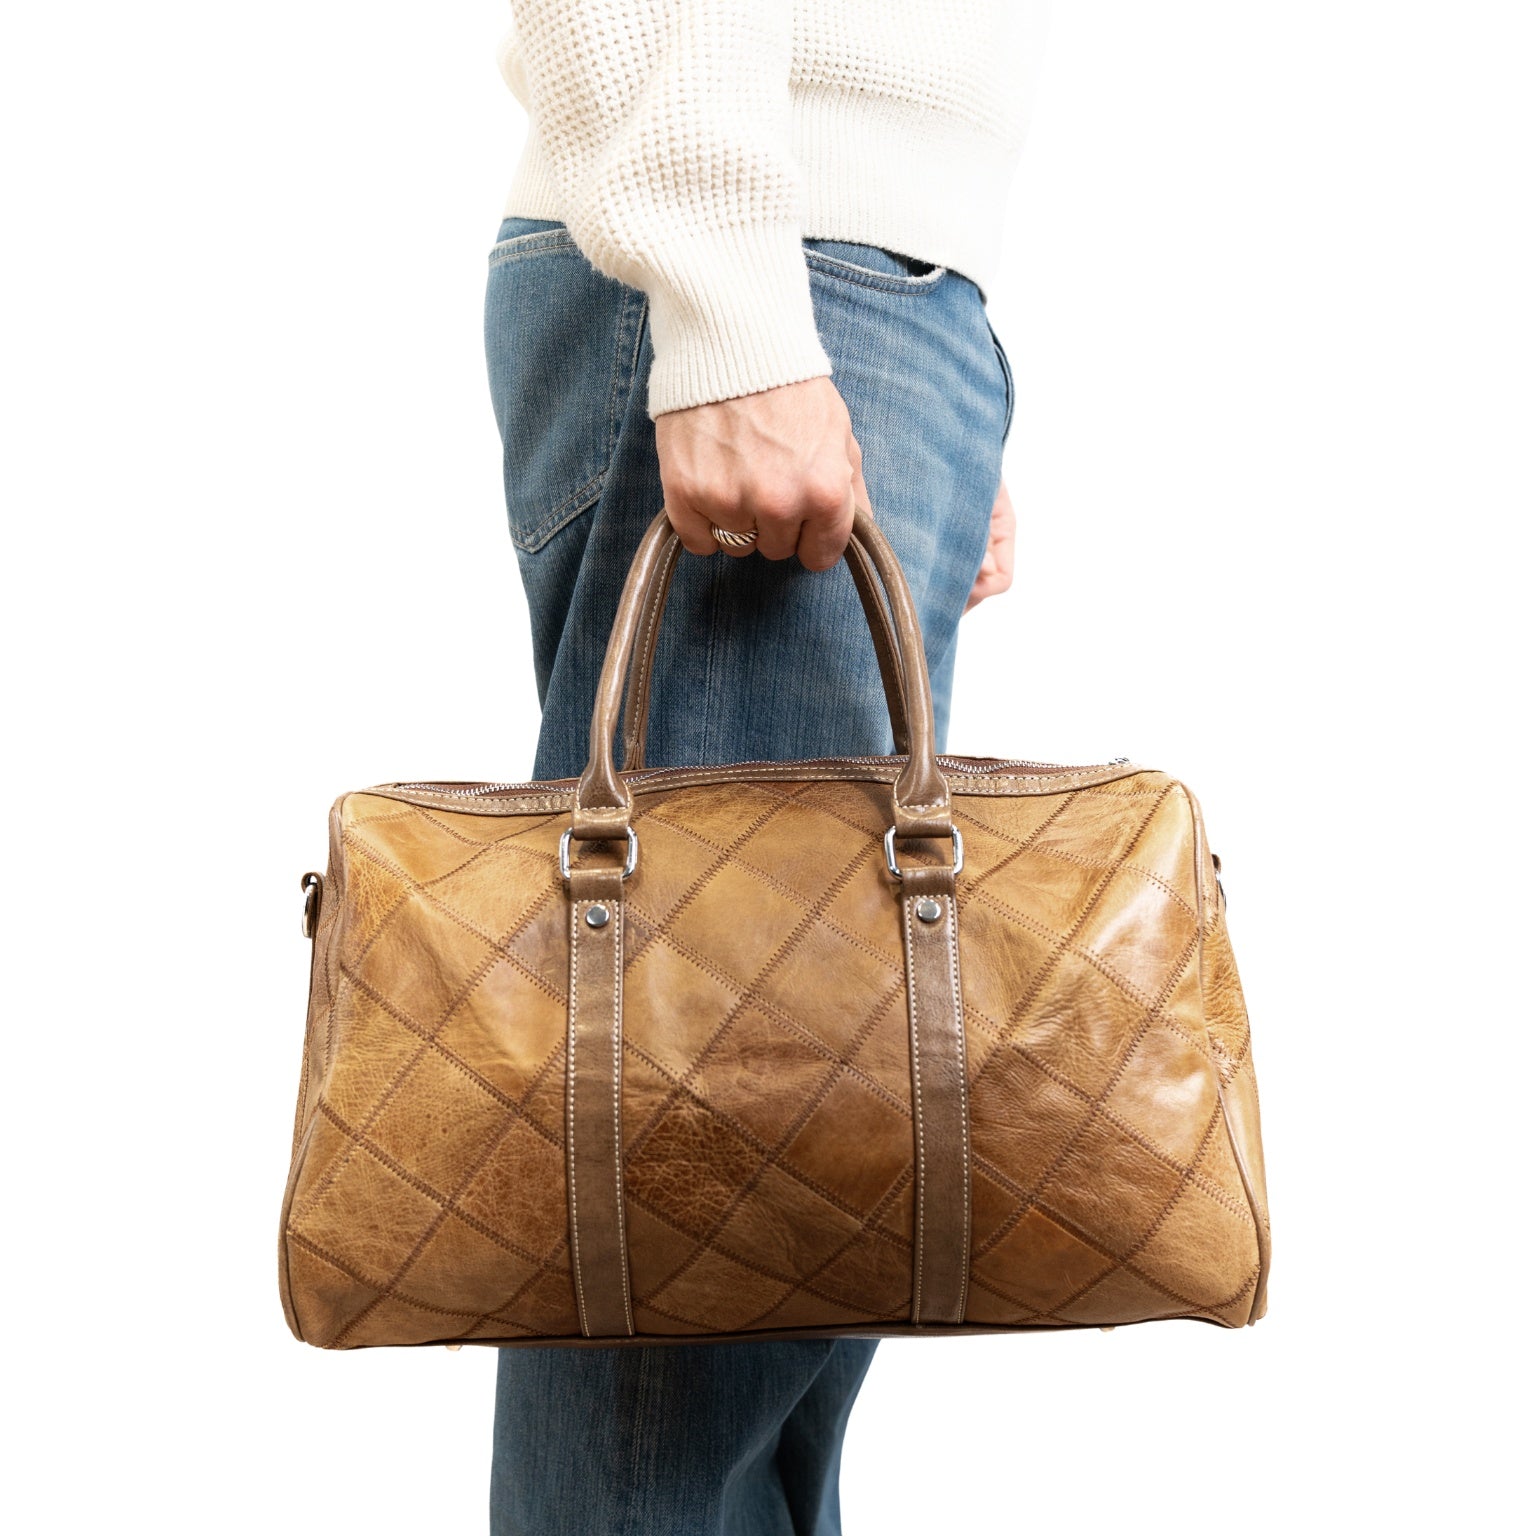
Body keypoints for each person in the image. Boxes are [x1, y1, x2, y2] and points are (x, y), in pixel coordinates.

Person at [484, 3, 1048, 1530]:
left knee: (799, 1217)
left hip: (855, 278)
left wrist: (941, 354)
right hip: (781, 259)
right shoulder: (745, 274)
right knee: (698, 1230)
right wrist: (732, 300)